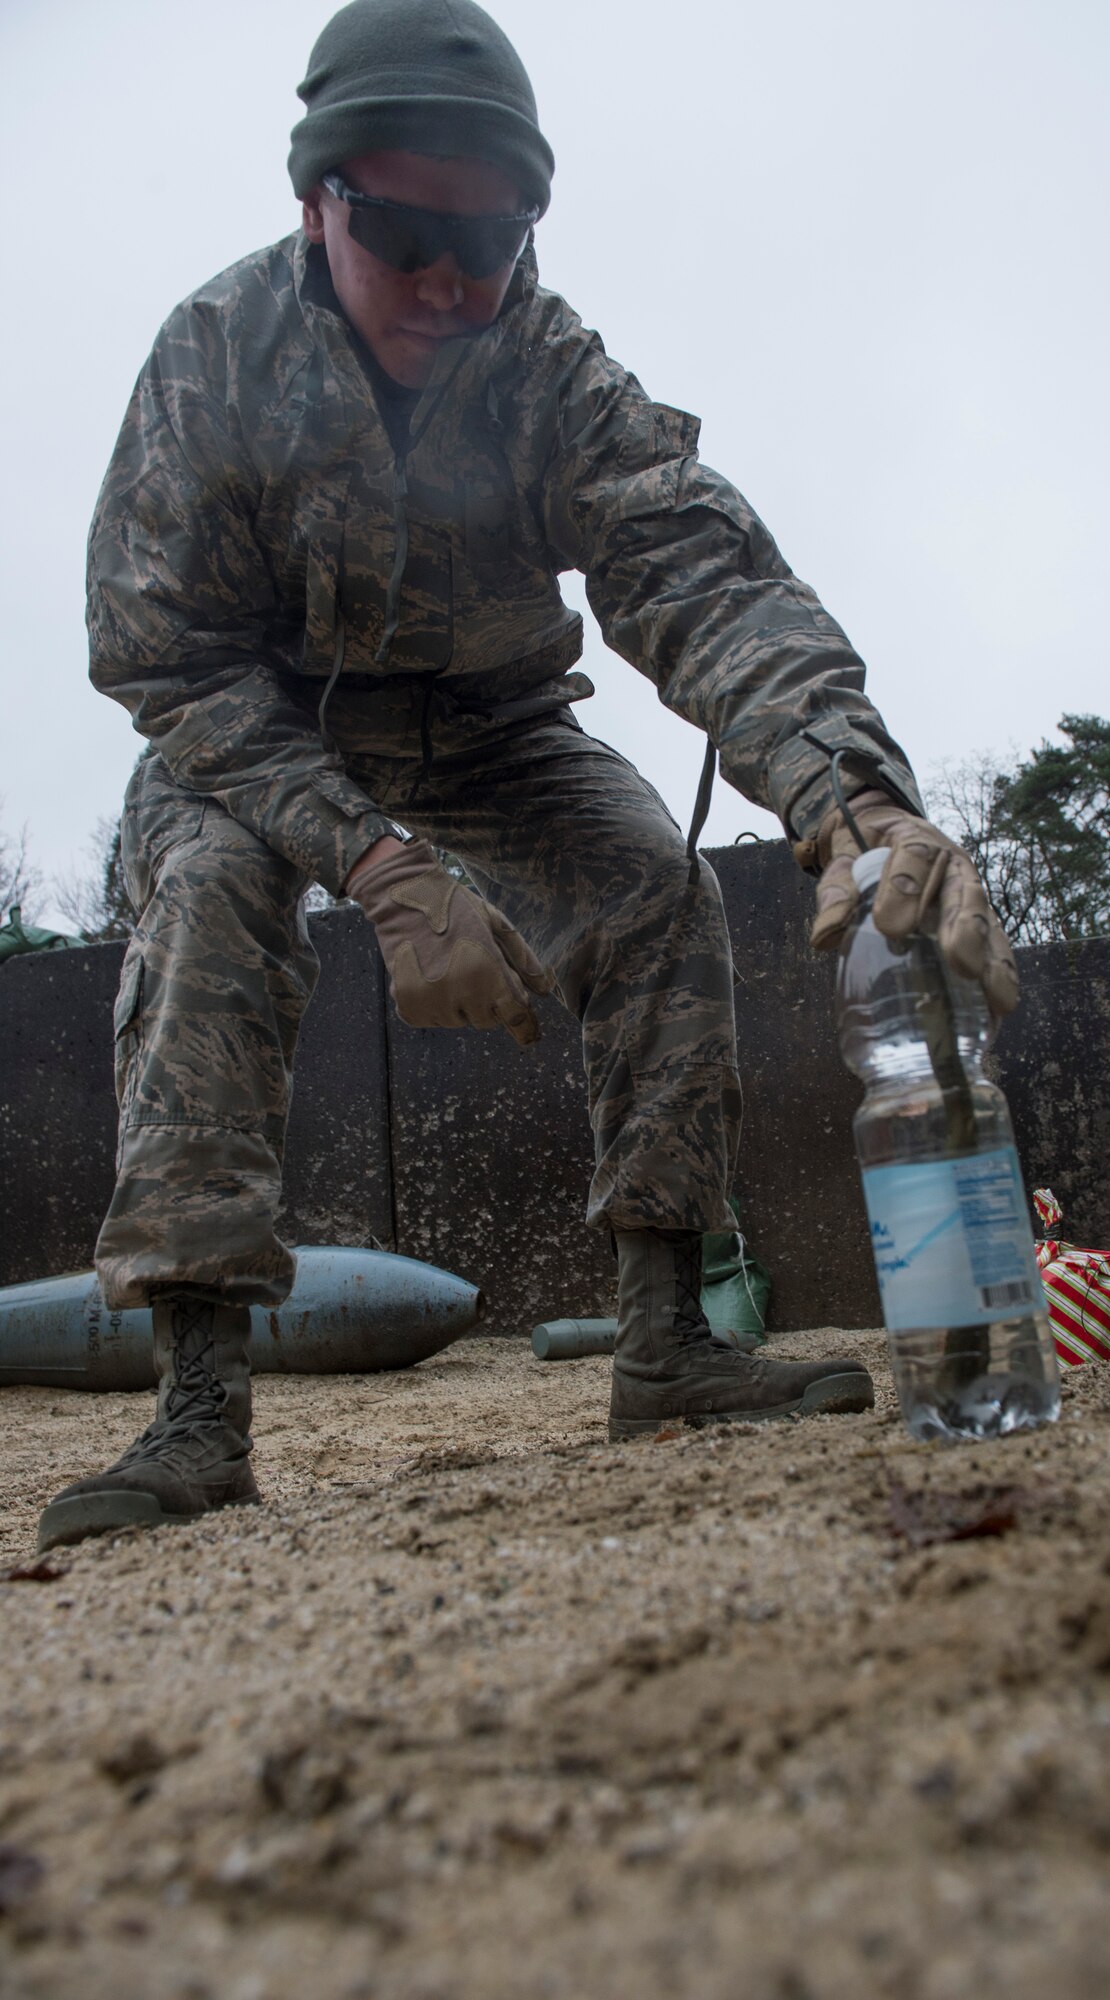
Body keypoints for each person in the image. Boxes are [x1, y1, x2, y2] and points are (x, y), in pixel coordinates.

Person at [37, 0, 1018, 1553]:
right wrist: (374, 864)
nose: (447, 281)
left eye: (487, 241)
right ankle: (198, 1409)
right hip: (259, 728)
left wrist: (853, 795)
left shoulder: (551, 369)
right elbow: (163, 658)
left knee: (649, 882)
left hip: (493, 719)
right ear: (318, 200)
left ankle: (664, 1337)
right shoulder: (215, 359)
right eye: (405, 227)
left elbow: (699, 576)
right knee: (210, 896)